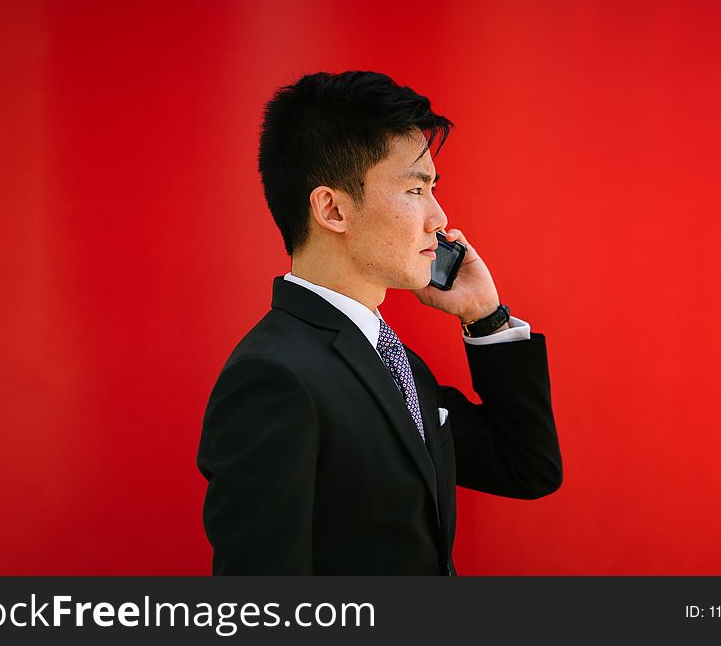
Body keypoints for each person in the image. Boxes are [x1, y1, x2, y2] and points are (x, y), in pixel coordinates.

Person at [197, 70, 562, 575]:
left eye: (433, 188)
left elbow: (528, 469)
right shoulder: (274, 378)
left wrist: (485, 318)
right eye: (416, 190)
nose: (438, 218)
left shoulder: (390, 358)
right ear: (333, 208)